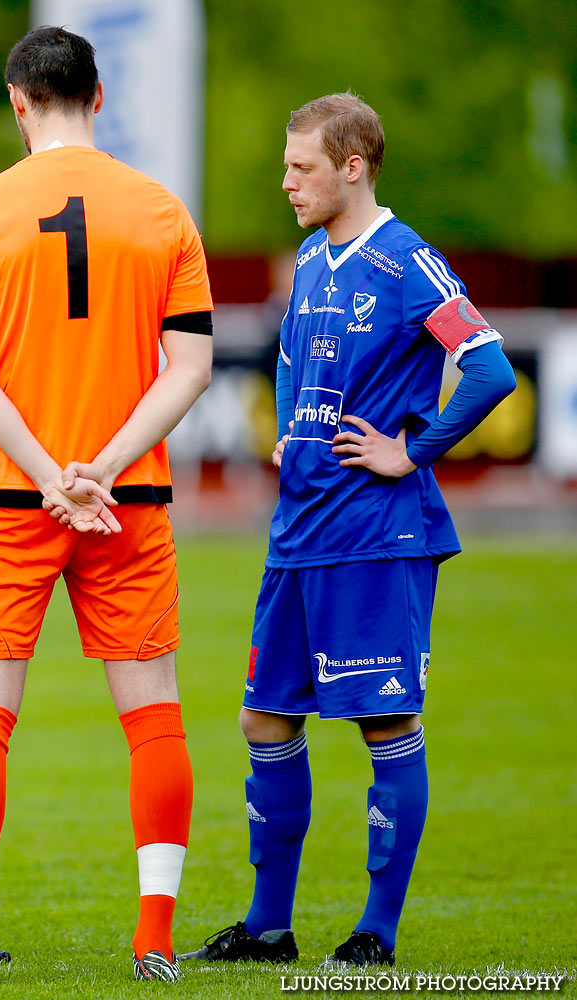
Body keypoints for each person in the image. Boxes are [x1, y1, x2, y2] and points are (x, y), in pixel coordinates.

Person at [180, 93, 515, 969]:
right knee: (264, 719)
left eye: (302, 168)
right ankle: (267, 929)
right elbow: (292, 373)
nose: (286, 182)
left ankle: (376, 932)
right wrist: (292, 455)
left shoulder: (408, 263)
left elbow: (486, 369)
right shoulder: (311, 259)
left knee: (383, 721)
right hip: (301, 533)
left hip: (375, 533)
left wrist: (414, 452)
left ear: (353, 167)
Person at [0, 26, 215, 984]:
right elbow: (192, 370)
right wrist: (100, 467)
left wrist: (52, 473)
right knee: (153, 717)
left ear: (16, 101)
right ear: (98, 95)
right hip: (126, 499)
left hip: (13, 497)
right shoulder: (162, 212)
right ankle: (155, 939)